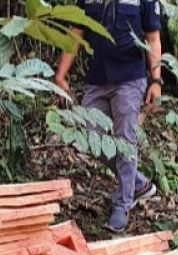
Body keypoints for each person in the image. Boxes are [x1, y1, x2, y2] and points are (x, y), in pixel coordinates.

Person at [52, 0, 163, 233]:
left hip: (129, 79)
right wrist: (61, 75)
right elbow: (76, 33)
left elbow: (153, 38)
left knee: (124, 140)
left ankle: (122, 205)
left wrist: (156, 81)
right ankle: (138, 184)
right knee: (90, 137)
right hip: (97, 79)